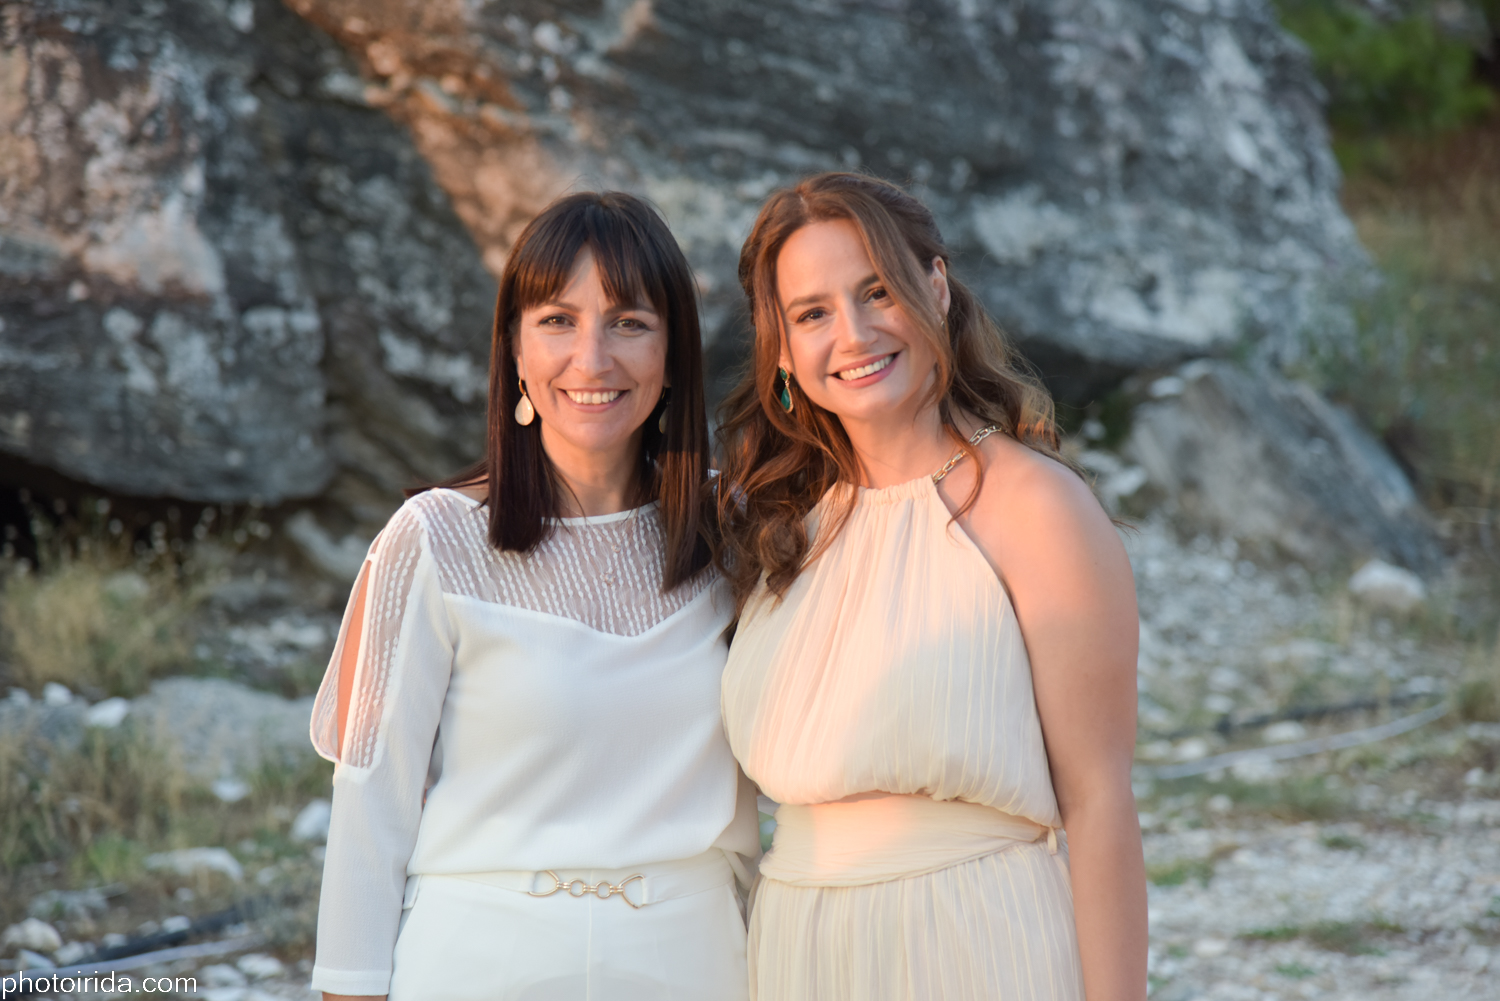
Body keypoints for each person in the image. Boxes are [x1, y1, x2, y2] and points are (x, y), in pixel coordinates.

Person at [308, 192, 759, 1001]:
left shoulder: (736, 533)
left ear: (673, 354)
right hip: (478, 962)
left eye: (629, 322)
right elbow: (370, 806)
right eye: (557, 320)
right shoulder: (434, 539)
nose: (592, 358)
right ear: (515, 348)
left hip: (696, 963)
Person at [716, 172, 1147, 1001]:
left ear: (937, 288)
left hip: (976, 941)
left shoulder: (1036, 508)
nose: (853, 334)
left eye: (877, 291)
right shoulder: (775, 525)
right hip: (800, 951)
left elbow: (1100, 802)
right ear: (782, 351)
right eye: (812, 313)